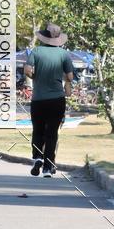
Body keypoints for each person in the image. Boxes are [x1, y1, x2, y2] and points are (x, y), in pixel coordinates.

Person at [24, 23, 74, 177]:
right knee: (52, 134)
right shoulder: (64, 54)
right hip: (57, 99)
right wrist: (64, 81)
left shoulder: (36, 51)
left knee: (37, 130)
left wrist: (35, 77)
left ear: (44, 37)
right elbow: (70, 77)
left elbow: (27, 70)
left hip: (39, 99)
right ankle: (47, 167)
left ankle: (37, 157)